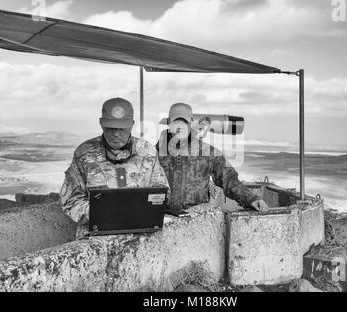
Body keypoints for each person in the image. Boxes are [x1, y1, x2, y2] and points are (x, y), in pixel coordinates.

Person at [60, 98, 169, 239]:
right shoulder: (84, 153)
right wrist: (103, 214)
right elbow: (70, 200)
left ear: (132, 125)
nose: (116, 134)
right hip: (95, 240)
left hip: (140, 239)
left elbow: (162, 192)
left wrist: (144, 210)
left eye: (122, 128)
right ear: (101, 124)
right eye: (110, 128)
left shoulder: (147, 151)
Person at [156, 103, 269, 212]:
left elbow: (229, 179)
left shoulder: (208, 152)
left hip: (195, 219)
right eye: (175, 121)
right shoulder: (153, 154)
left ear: (190, 123)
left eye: (184, 122)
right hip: (162, 218)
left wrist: (250, 198)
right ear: (169, 123)